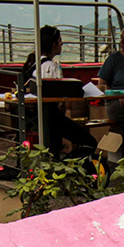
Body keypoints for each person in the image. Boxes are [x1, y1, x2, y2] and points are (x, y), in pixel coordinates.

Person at [23, 26, 97, 158]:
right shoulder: (51, 67)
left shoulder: (33, 65)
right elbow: (60, 99)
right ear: (54, 44)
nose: (62, 44)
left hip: (35, 118)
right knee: (90, 142)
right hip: (51, 118)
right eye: (60, 40)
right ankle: (68, 164)